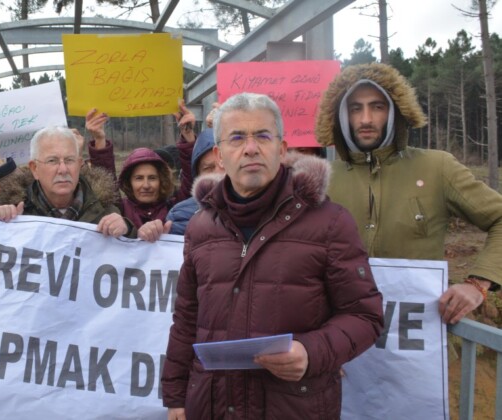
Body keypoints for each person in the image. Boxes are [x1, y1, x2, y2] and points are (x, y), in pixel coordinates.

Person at [162, 93, 384, 419]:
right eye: (237, 138)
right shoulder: (200, 227)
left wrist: (311, 352)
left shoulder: (329, 222)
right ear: (220, 155)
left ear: (281, 150)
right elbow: (186, 322)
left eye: (263, 136)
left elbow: (365, 316)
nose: (251, 148)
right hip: (212, 405)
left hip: (294, 406)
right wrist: (176, 397)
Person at [315, 62, 502, 324]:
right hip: (340, 342)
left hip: (419, 345)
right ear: (341, 116)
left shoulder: (438, 167)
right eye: (355, 108)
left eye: (377, 106)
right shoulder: (321, 180)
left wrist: (478, 284)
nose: (366, 119)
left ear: (396, 112)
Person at [0, 126, 130, 237]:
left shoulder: (106, 211)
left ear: (79, 164)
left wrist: (127, 229)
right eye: (52, 161)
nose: (63, 169)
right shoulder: (16, 213)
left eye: (69, 160)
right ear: (34, 169)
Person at [138, 128, 225, 240]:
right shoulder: (179, 216)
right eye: (208, 168)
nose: (218, 172)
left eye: (224, 164)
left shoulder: (254, 210)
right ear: (198, 176)